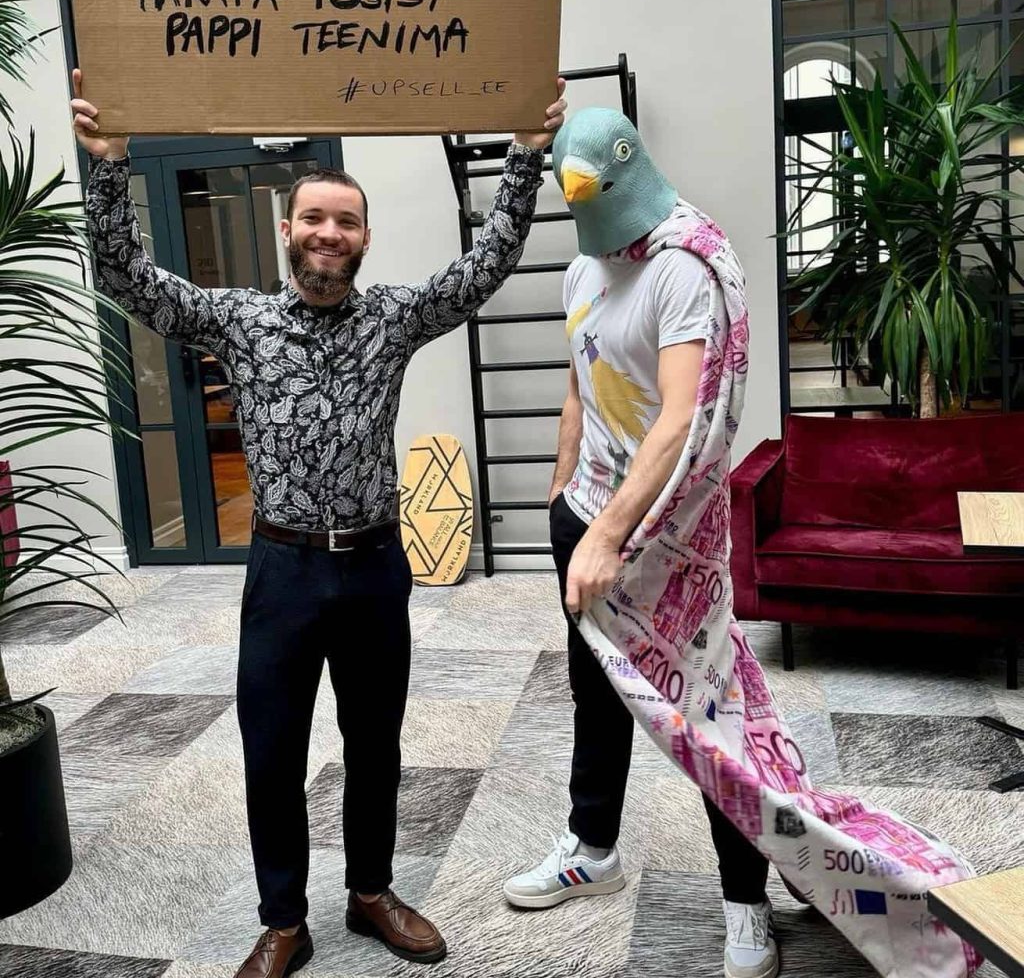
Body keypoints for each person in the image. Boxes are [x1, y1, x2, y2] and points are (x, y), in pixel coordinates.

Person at [71, 68, 566, 977]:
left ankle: (371, 892)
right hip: (284, 572)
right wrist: (107, 165)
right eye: (313, 218)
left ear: (365, 237)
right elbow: (128, 279)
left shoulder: (395, 319)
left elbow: (484, 269)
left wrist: (527, 158)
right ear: (287, 228)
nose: (328, 233)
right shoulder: (240, 320)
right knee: (272, 748)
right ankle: (284, 920)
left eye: (345, 221)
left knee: (376, 744)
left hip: (374, 566)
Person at [502, 108, 778, 978]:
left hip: (672, 533)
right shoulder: (583, 268)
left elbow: (680, 420)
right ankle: (594, 848)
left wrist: (610, 534)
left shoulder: (682, 269)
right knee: (595, 693)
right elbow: (580, 386)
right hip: (587, 514)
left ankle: (747, 901)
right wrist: (562, 494)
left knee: (709, 713)